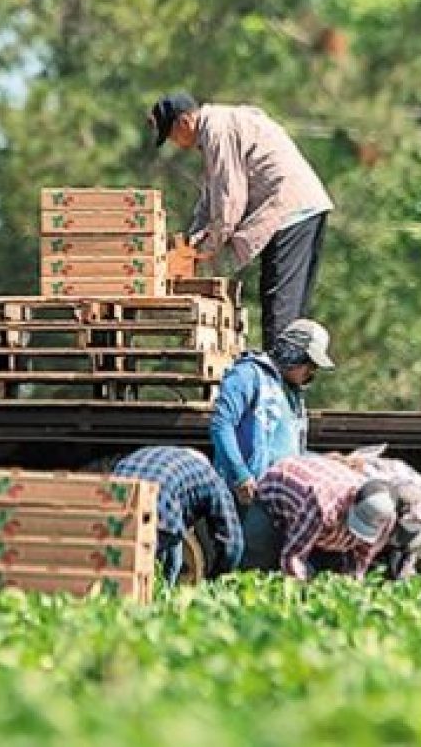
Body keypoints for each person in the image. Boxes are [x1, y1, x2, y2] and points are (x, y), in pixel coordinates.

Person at [147, 93, 334, 346]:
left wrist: (203, 253)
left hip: (291, 211)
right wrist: (190, 241)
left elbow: (229, 204)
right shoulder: (220, 125)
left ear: (184, 123)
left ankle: (277, 380)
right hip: (305, 208)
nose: (175, 144)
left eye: (171, 136)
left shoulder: (217, 131)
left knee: (280, 315)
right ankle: (289, 379)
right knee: (290, 316)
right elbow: (211, 197)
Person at [210, 318, 334, 570]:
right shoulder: (248, 374)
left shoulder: (292, 393)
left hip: (280, 497)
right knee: (247, 561)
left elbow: (291, 448)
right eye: (309, 365)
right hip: (248, 493)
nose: (312, 373)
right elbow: (222, 424)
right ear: (294, 354)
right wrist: (240, 474)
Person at [112, 446, 243, 585]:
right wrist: (215, 580)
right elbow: (233, 544)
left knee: (120, 566)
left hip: (115, 506)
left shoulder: (155, 455)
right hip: (159, 510)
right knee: (150, 573)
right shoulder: (210, 477)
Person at [257, 455, 397, 581]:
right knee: (262, 559)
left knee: (325, 567)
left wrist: (352, 587)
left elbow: (361, 559)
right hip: (275, 495)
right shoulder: (322, 504)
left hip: (318, 520)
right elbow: (293, 557)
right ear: (352, 501)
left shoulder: (386, 517)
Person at [342, 448, 421, 579]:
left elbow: (412, 542)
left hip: (411, 500)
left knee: (402, 561)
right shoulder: (373, 491)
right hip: (380, 493)